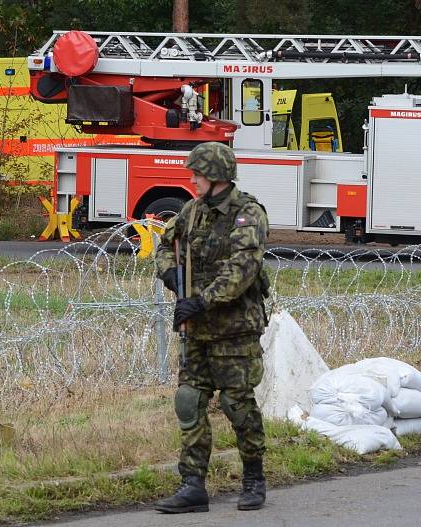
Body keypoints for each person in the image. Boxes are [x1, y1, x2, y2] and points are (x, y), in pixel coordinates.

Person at [154, 141, 271, 513]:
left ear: (217, 175)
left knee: (238, 406)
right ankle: (192, 485)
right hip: (197, 330)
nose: (192, 179)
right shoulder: (191, 211)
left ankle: (253, 478)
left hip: (234, 330)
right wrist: (170, 274)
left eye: (198, 173)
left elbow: (242, 269)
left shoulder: (247, 214)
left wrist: (202, 300)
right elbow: (164, 243)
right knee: (189, 402)